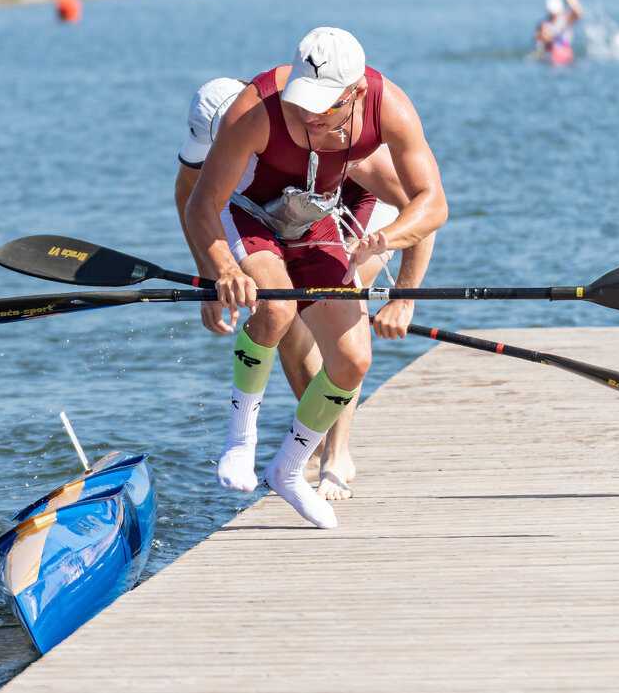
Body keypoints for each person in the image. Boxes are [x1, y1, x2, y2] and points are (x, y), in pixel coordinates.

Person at [184, 27, 447, 529]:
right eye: (302, 103)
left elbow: (432, 204)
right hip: (249, 215)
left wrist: (388, 241)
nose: (307, 116)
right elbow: (200, 203)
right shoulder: (255, 108)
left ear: (357, 94)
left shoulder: (389, 107)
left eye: (323, 107)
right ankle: (240, 440)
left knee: (353, 358)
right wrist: (221, 270)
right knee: (278, 308)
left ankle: (287, 469)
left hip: (312, 219)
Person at [534, 0, 583, 65]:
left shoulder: (566, 19)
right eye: (551, 14)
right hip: (551, 57)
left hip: (565, 58)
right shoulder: (543, 23)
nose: (553, 16)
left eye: (555, 14)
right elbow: (539, 37)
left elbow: (578, 14)